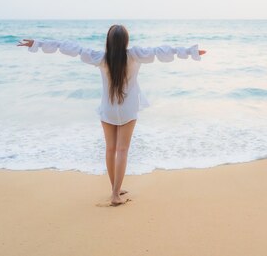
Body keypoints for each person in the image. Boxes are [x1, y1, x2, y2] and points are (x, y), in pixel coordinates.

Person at [17, 24, 206, 206]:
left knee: (110, 149)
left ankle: (115, 189)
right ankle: (116, 193)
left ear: (108, 41)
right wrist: (191, 52)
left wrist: (37, 43)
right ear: (126, 40)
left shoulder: (101, 58)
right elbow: (162, 51)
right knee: (122, 150)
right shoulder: (134, 55)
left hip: (108, 109)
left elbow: (69, 48)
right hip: (128, 109)